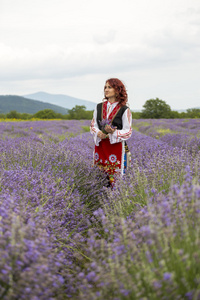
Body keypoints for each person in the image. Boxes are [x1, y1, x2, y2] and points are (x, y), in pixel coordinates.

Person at [90, 78, 132, 186]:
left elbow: (128, 131)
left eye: (109, 87)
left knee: (115, 180)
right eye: (105, 87)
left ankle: (115, 199)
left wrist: (113, 132)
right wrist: (98, 133)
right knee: (99, 177)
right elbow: (93, 125)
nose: (106, 90)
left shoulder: (124, 109)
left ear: (117, 90)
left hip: (116, 148)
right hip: (101, 147)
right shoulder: (99, 107)